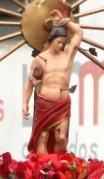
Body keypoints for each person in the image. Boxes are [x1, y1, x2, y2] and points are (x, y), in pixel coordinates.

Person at [22, 16, 83, 155]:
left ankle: (59, 165)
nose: (61, 45)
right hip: (45, 103)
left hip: (62, 103)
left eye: (63, 42)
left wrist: (65, 21)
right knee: (42, 137)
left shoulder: (68, 55)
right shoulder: (40, 59)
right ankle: (42, 167)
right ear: (51, 40)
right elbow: (30, 82)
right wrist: (25, 103)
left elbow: (79, 32)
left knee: (61, 137)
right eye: (58, 42)